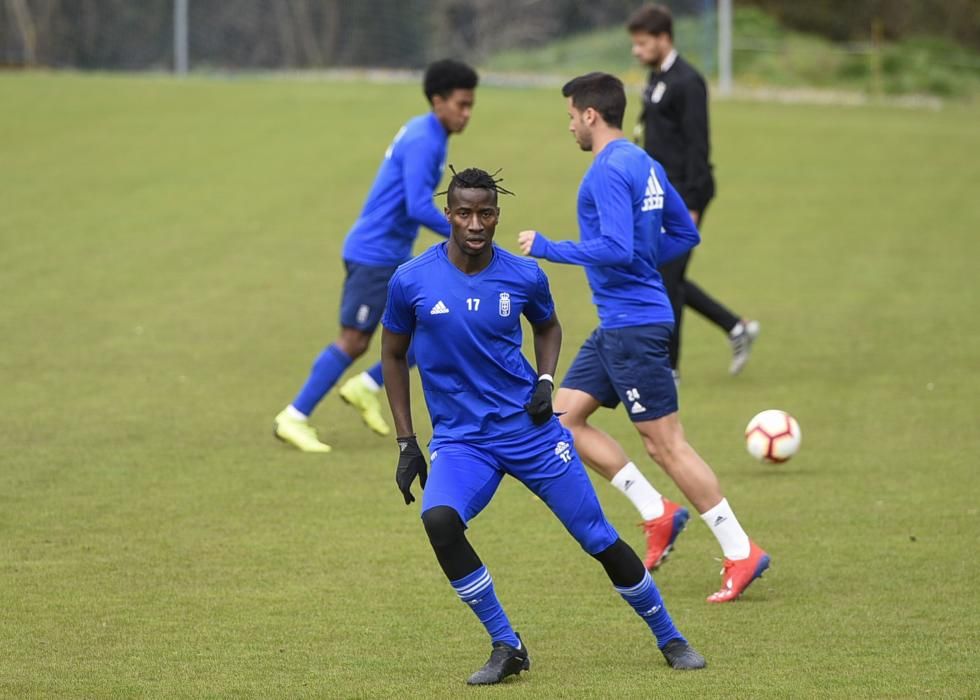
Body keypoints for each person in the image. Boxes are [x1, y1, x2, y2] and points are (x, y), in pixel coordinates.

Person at [381, 167, 705, 685]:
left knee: (597, 538)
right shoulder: (411, 280)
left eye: (485, 213)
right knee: (439, 520)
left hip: (530, 432)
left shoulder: (524, 275)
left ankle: (670, 635)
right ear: (448, 215)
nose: (475, 223)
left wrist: (547, 380)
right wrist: (406, 442)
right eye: (463, 213)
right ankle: (506, 645)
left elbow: (548, 324)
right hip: (463, 442)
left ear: (497, 215)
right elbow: (393, 356)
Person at [518, 72, 770, 603]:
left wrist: (548, 246)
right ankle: (657, 513)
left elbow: (613, 248)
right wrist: (640, 265)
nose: (569, 126)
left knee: (666, 444)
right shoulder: (644, 163)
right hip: (620, 325)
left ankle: (740, 549)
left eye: (570, 116)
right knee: (561, 417)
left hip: (633, 327)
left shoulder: (607, 171)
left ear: (590, 114)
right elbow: (685, 233)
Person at [273, 59, 478, 452]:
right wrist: (466, 231)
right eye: (461, 105)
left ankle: (366, 386)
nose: (466, 114)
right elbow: (418, 205)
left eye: (471, 106)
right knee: (353, 339)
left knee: (430, 327)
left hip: (388, 253)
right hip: (374, 255)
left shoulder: (431, 132)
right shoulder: (425, 139)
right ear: (438, 101)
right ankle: (294, 416)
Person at [628, 3, 759, 380]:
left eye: (642, 43)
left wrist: (692, 205)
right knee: (668, 273)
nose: (636, 51)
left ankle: (669, 369)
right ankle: (736, 328)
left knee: (666, 277)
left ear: (664, 39)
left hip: (683, 196)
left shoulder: (688, 81)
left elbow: (698, 148)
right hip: (657, 195)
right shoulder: (656, 78)